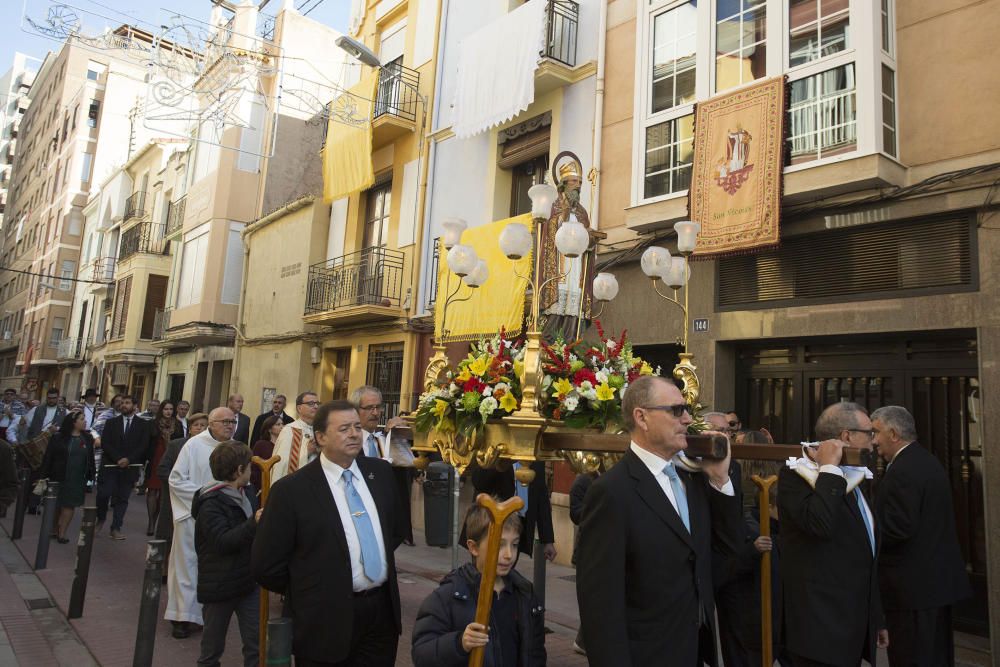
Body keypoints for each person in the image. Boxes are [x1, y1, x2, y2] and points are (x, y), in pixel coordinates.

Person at [576, 375, 742, 667]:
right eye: (677, 410)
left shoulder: (694, 480)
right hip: (645, 655)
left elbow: (727, 553)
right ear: (642, 417)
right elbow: (600, 605)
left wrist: (720, 480)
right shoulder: (612, 492)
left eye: (687, 409)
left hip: (693, 652)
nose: (688, 419)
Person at [253, 400, 404, 666]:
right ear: (320, 437)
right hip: (323, 620)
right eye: (344, 428)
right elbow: (267, 564)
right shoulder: (292, 490)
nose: (355, 434)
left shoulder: (380, 473)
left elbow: (395, 530)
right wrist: (313, 587)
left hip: (380, 616)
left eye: (357, 426)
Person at [778, 402, 888, 666]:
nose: (873, 443)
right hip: (818, 631)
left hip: (850, 624)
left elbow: (865, 552)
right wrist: (828, 468)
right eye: (869, 434)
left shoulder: (855, 476)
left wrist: (876, 618)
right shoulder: (798, 476)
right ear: (846, 436)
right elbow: (819, 524)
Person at [871, 405, 971, 667]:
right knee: (936, 656)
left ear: (893, 434)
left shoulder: (903, 470)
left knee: (913, 658)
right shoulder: (925, 460)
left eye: (876, 432)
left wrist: (864, 531)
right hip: (933, 587)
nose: (873, 440)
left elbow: (898, 528)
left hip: (913, 592)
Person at [411, 503, 545, 667]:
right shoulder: (451, 595)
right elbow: (421, 653)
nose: (509, 555)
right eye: (499, 544)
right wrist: (459, 643)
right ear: (473, 547)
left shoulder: (524, 595)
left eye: (514, 544)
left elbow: (535, 654)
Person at [166, 407, 237, 638]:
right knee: (187, 566)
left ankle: (206, 615)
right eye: (225, 421)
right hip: (192, 516)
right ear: (212, 423)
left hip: (221, 521)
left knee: (214, 568)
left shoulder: (235, 448)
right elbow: (176, 480)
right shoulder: (194, 445)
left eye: (233, 421)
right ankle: (182, 617)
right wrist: (205, 497)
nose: (230, 425)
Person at [192, 440, 261, 667]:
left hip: (247, 582)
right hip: (219, 584)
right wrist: (254, 523)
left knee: (256, 645)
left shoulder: (247, 492)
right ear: (239, 470)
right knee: (211, 650)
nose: (252, 469)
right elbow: (222, 542)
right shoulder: (211, 503)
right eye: (249, 466)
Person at [352, 385, 415, 545]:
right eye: (369, 408)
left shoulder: (385, 439)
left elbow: (409, 464)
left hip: (388, 527)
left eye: (378, 407)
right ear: (355, 410)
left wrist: (399, 433)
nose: (375, 413)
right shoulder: (348, 443)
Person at [470, 460, 556, 562]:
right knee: (484, 571)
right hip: (489, 523)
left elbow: (541, 496)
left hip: (519, 525)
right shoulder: (494, 449)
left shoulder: (534, 455)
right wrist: (502, 459)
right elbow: (478, 481)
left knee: (507, 567)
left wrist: (547, 540)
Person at [95, 395, 154, 539]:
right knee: (103, 494)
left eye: (127, 403)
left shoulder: (143, 424)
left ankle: (116, 528)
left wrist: (129, 459)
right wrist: (118, 458)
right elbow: (106, 443)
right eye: (121, 403)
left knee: (122, 498)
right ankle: (101, 518)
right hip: (110, 465)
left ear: (134, 406)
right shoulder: (111, 423)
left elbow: (143, 445)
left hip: (130, 466)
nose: (123, 406)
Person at [156, 414, 209, 557]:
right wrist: (179, 485)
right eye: (196, 425)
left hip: (198, 499)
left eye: (203, 425)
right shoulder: (176, 445)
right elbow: (162, 469)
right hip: (175, 497)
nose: (199, 428)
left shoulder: (210, 448)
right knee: (169, 534)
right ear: (190, 429)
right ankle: (162, 568)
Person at [38, 411, 96, 543]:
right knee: (57, 504)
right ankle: (54, 528)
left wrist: (91, 475)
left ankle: (62, 533)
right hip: (58, 475)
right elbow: (49, 457)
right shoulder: (58, 437)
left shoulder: (87, 438)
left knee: (69, 505)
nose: (85, 421)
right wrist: (43, 475)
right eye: (82, 419)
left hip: (77, 478)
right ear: (73, 422)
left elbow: (90, 458)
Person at [568, 469, 597, 655]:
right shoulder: (582, 481)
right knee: (591, 598)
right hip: (588, 550)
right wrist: (599, 508)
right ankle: (583, 641)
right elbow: (575, 513)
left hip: (607, 547)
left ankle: (584, 641)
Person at [145, 400, 180, 536]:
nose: (168, 411)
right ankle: (151, 522)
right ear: (161, 410)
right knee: (153, 490)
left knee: (163, 491)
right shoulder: (152, 424)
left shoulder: (176, 425)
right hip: (155, 458)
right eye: (166, 409)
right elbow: (146, 442)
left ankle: (156, 518)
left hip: (170, 458)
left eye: (171, 409)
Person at [269, 391, 319, 482]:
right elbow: (282, 464)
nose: (316, 406)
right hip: (298, 483)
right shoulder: (289, 430)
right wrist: (307, 452)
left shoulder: (321, 430)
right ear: (299, 408)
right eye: (311, 404)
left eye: (317, 403)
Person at [250, 414, 284, 491]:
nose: (282, 427)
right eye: (278, 424)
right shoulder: (261, 444)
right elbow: (254, 468)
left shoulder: (285, 445)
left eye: (282, 424)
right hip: (262, 486)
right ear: (269, 429)